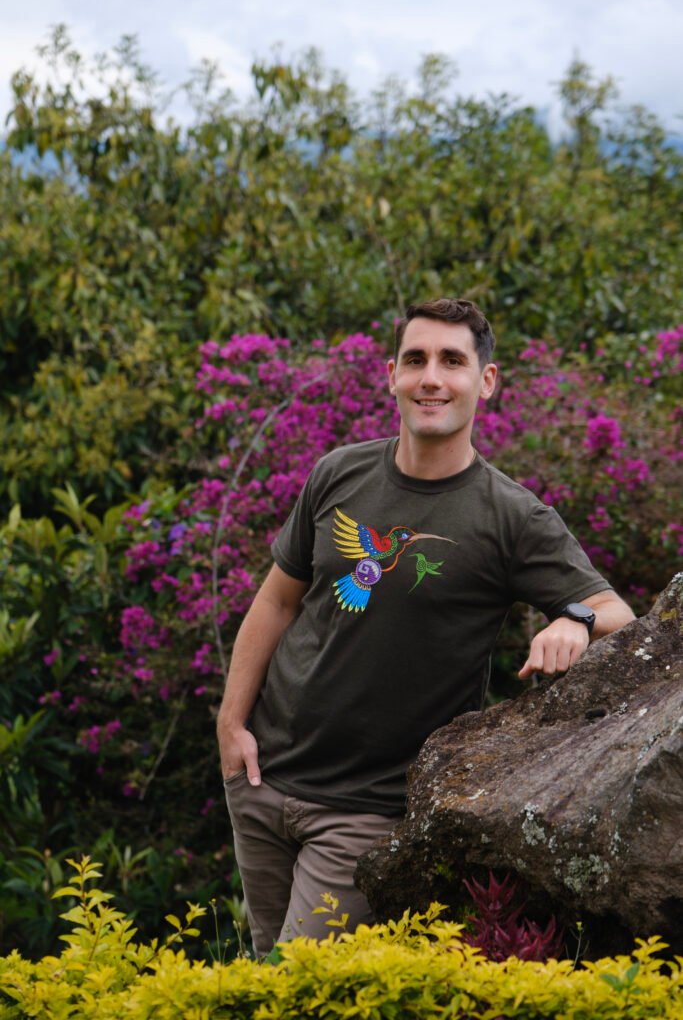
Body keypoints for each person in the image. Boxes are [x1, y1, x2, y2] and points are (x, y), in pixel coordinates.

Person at [216, 297, 634, 957]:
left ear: (485, 382)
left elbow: (617, 613)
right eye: (415, 360)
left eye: (451, 361)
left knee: (297, 986)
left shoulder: (510, 516)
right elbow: (275, 604)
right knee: (258, 974)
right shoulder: (338, 474)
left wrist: (574, 621)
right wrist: (231, 726)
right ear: (390, 375)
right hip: (263, 780)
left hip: (367, 813)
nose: (430, 378)